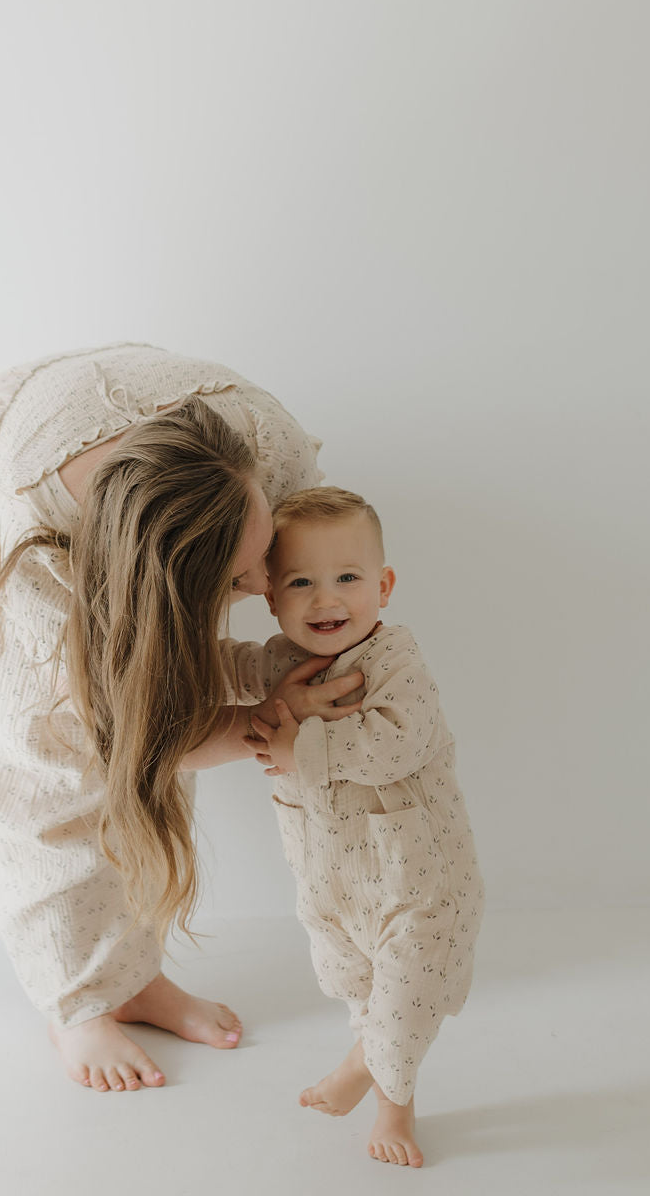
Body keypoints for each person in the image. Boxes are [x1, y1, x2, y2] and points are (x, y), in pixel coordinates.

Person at [0, 342, 365, 1094]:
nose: (260, 586)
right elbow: (138, 726)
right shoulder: (28, 614)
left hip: (99, 439)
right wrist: (251, 727)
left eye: (262, 553)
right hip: (17, 508)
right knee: (54, 794)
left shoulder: (259, 444)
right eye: (235, 579)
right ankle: (80, 1000)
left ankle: (133, 976)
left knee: (154, 736)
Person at [230, 486, 484, 1168]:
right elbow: (219, 673)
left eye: (347, 578)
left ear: (384, 584)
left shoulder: (396, 662)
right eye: (301, 583)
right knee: (355, 985)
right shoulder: (276, 662)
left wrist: (298, 751)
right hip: (330, 879)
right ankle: (364, 1053)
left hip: (417, 876)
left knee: (405, 1000)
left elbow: (398, 743)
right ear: (271, 597)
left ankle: (388, 1101)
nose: (326, 600)